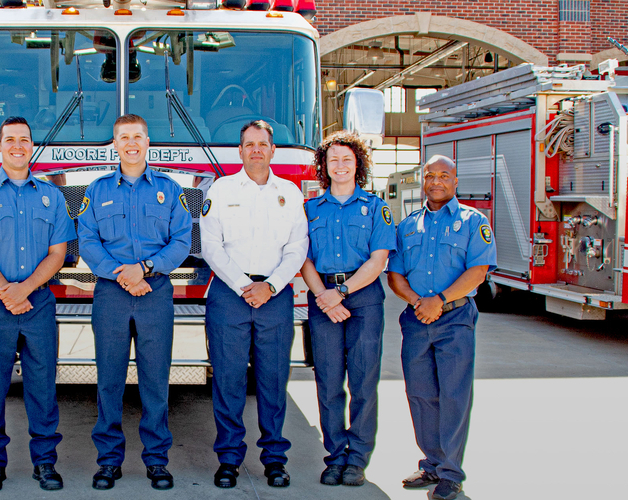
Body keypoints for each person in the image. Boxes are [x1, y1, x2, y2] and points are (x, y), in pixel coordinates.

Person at [0, 116, 76, 492]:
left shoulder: (51, 196)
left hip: (38, 303)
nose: (18, 146)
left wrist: (26, 289)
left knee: (42, 386)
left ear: (31, 145)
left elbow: (59, 253)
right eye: (11, 140)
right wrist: (8, 289)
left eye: (24, 140)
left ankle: (44, 463)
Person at [76, 114, 192, 491]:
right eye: (123, 137)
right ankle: (108, 462)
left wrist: (144, 268)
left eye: (137, 136)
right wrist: (121, 274)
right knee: (108, 381)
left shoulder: (170, 189)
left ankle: (157, 461)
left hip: (155, 291)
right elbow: (88, 240)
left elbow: (181, 240)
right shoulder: (96, 190)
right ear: (114, 143)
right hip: (111, 292)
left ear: (147, 141)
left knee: (155, 382)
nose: (131, 143)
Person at [199, 120, 308, 489]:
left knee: (273, 381)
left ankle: (275, 460)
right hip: (230, 295)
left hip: (274, 296)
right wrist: (247, 285)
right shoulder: (221, 188)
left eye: (263, 144)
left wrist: (271, 285)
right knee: (228, 381)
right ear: (240, 151)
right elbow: (211, 246)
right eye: (250, 144)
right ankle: (229, 460)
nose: (257, 150)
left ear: (273, 150)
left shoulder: (291, 193)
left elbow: (297, 247)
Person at [387, 155, 496, 500]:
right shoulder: (408, 226)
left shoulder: (473, 222)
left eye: (443, 176)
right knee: (421, 395)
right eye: (430, 176)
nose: (436, 181)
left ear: (455, 180)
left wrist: (440, 300)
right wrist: (421, 303)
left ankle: (451, 472)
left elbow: (478, 272)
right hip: (417, 319)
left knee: (453, 395)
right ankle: (431, 463)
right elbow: (395, 275)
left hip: (455, 318)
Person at [300, 131, 395, 487]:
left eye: (347, 159)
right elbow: (304, 258)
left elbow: (378, 260)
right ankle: (335, 456)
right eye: (333, 159)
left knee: (363, 381)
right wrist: (325, 295)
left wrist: (340, 292)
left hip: (363, 297)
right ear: (323, 166)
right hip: (322, 294)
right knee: (327, 382)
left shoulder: (376, 207)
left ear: (359, 164)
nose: (340, 166)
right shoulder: (309, 209)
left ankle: (357, 459)